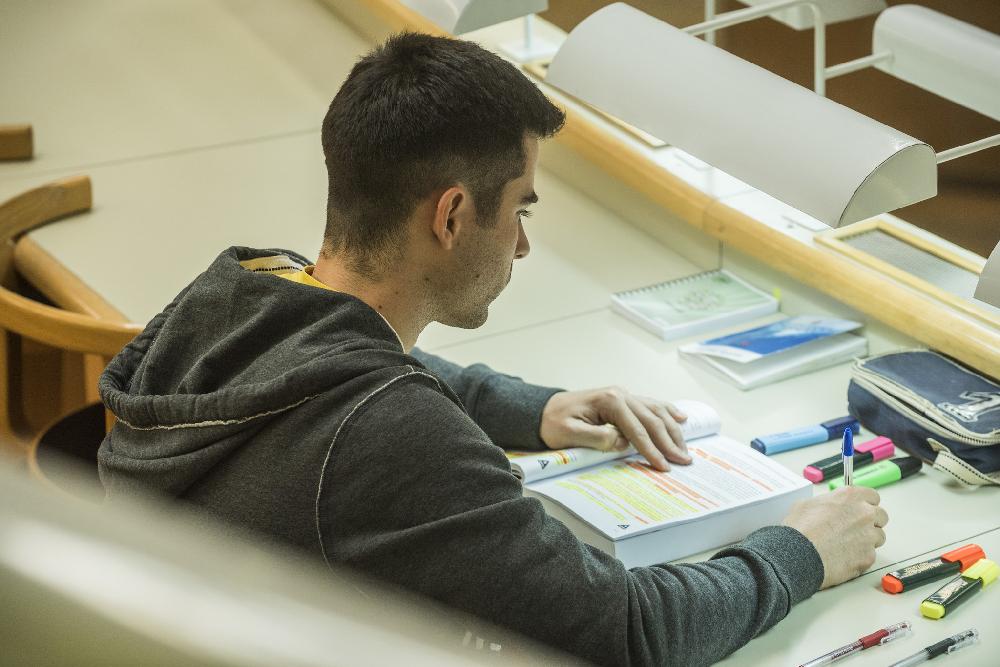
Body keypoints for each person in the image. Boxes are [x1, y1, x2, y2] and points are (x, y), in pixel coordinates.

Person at [98, 33, 888, 666]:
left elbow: (347, 365)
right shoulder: (390, 432)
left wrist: (535, 408)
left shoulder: (241, 288)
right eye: (519, 212)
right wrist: (801, 551)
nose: (521, 246)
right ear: (450, 216)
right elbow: (630, 632)